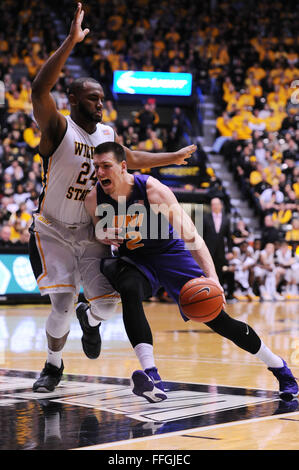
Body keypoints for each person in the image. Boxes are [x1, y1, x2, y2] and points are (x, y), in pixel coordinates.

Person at [29, 3, 197, 393]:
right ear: (72, 98)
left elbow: (132, 158)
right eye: (91, 98)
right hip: (52, 229)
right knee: (61, 305)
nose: (100, 104)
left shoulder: (106, 134)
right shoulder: (57, 128)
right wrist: (71, 41)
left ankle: (92, 320)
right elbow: (39, 89)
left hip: (91, 231)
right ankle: (53, 365)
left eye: (102, 98)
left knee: (106, 306)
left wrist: (170, 157)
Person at [81, 141, 298, 403]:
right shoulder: (94, 198)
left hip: (169, 254)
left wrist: (213, 279)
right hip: (135, 259)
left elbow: (193, 237)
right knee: (129, 288)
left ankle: (280, 368)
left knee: (217, 318)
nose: (100, 172)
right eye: (96, 167)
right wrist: (103, 234)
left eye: (106, 166)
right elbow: (98, 230)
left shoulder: (152, 190)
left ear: (123, 166)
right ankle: (151, 375)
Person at [203, 197, 233, 286]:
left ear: (221, 206)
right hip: (208, 250)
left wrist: (230, 251)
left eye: (216, 204)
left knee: (219, 271)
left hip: (220, 250)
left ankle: (218, 292)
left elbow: (229, 237)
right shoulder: (205, 217)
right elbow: (201, 235)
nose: (215, 206)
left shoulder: (226, 219)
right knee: (207, 270)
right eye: (213, 204)